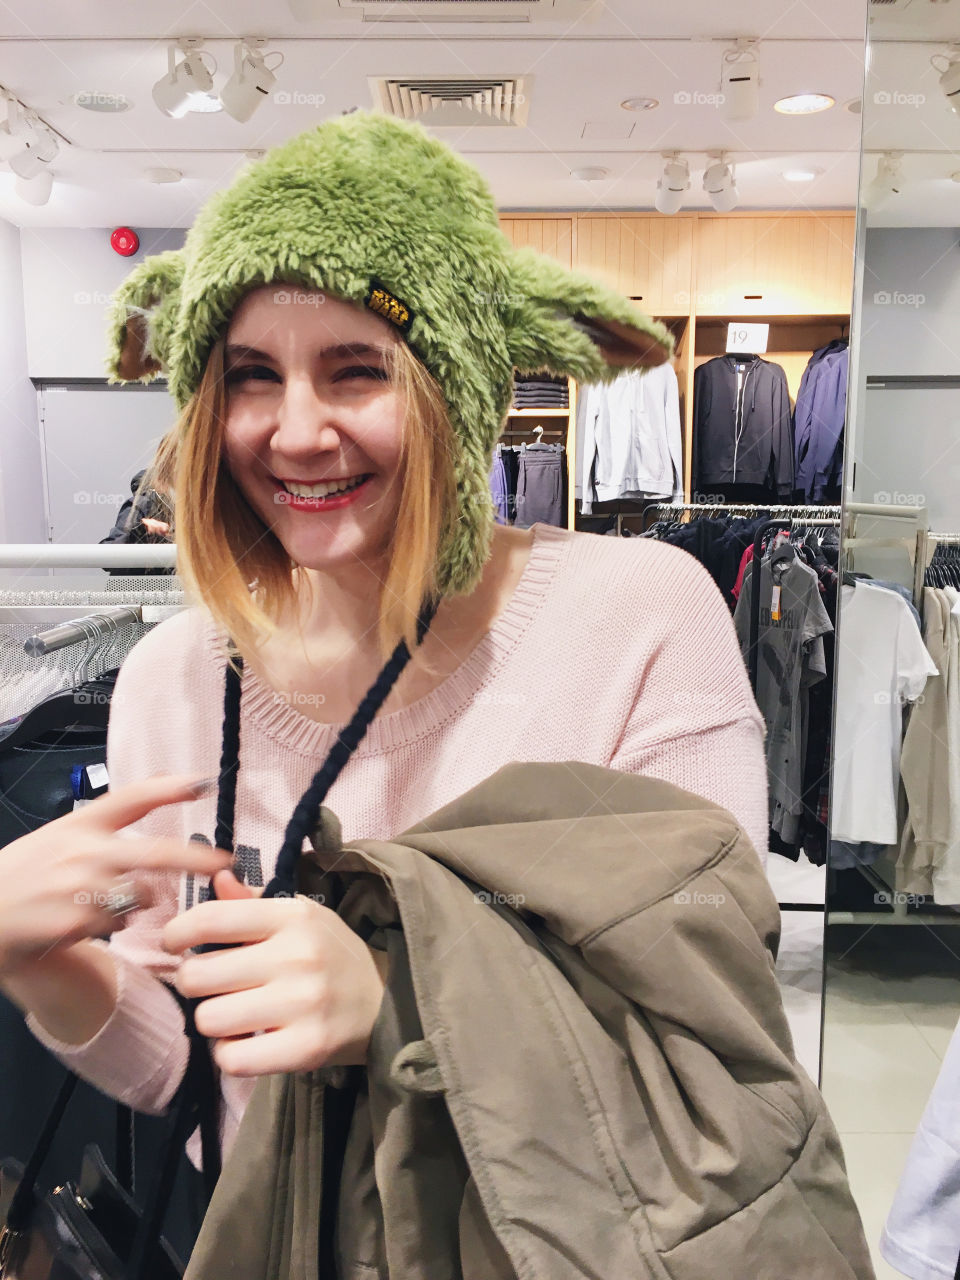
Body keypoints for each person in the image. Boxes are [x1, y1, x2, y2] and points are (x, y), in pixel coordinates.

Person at [0, 114, 776, 1236]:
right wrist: (40, 965)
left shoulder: (637, 622)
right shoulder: (174, 680)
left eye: (357, 369)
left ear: (454, 387)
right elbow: (191, 1075)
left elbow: (714, 1050)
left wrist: (401, 1007)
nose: (296, 432)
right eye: (252, 375)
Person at [99, 463, 175, 575]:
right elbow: (107, 557)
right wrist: (141, 528)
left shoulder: (182, 512)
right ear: (159, 482)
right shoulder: (140, 504)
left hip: (170, 589)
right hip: (136, 589)